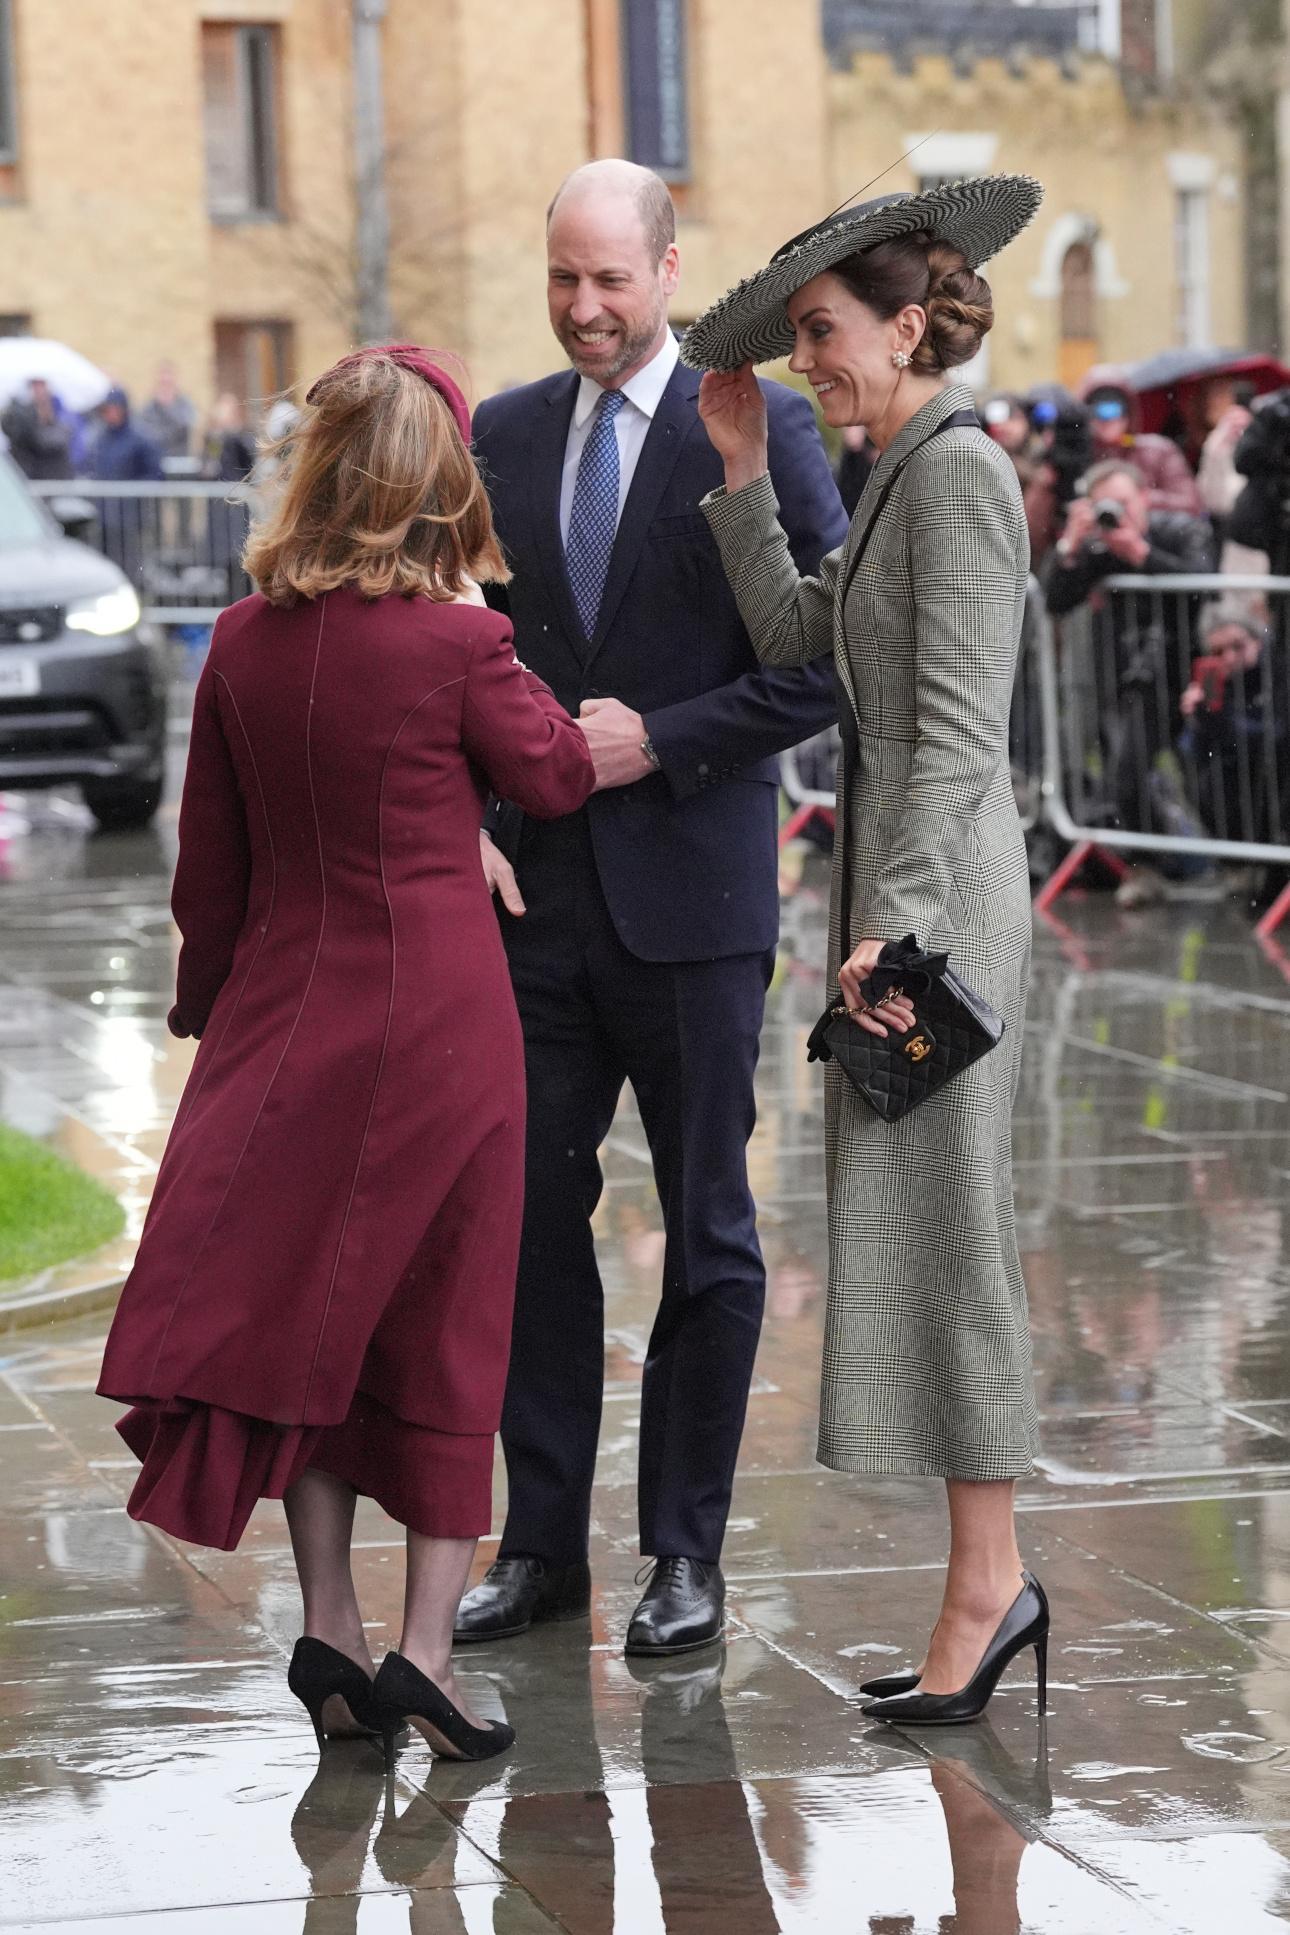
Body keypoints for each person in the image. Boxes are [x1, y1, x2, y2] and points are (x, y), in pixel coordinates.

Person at [96, 345, 595, 1764]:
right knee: (444, 1323)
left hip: (284, 1018)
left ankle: (331, 1629)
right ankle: (425, 1656)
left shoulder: (242, 644)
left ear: (313, 476)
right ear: (439, 483)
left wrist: (208, 1015)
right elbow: (552, 772)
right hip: (437, 1027)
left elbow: (213, 873)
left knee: (316, 1323)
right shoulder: (458, 643)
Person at [453, 159, 846, 1659]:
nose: (583, 309)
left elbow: (818, 662)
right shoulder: (500, 432)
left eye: (610, 280)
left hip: (691, 899)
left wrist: (658, 736)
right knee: (526, 1230)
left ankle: (684, 1550)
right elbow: (460, 657)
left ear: (671, 271)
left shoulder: (758, 426)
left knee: (708, 1229)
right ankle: (539, 1541)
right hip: (531, 906)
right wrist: (465, 824)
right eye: (562, 278)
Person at [687, 172, 1050, 1726]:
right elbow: (792, 638)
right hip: (901, 904)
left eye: (823, 335)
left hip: (936, 908)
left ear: (907, 326)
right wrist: (737, 467)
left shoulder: (955, 478)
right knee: (922, 1241)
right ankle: (984, 1579)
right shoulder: (897, 470)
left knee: (955, 1245)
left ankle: (988, 1590)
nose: (807, 361)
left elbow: (962, 733)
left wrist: (893, 918)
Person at [1044, 458, 1215, 904]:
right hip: (1130, 677)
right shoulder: (1101, 547)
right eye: (1106, 505)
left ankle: (1225, 866)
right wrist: (1071, 544)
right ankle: (1150, 867)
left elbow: (1205, 584)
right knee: (1126, 774)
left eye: (1123, 502)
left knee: (1213, 772)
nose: (1115, 514)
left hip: (1189, 672)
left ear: (1144, 497)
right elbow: (1055, 598)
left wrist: (1140, 553)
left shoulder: (1179, 530)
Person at [1082, 382, 1204, 517]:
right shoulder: (1080, 457)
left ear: (1127, 413)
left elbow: (1191, 503)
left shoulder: (1157, 450)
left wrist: (1140, 498)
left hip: (1156, 534)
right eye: (1095, 412)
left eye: (1112, 410)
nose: (1105, 420)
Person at [0, 376, 76, 479]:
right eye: (35, 386)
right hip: (28, 478)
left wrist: (38, 421)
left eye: (41, 386)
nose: (38, 391)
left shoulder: (63, 413)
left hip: (54, 480)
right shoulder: (23, 414)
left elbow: (49, 442)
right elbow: (12, 432)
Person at [87, 385, 164, 481]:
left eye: (115, 409)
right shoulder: (99, 438)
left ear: (124, 410)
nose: (111, 414)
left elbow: (154, 473)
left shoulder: (142, 439)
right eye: (107, 410)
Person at [138, 360, 197, 461]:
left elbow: (188, 425)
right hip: (156, 461)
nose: (165, 379)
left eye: (168, 374)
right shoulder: (149, 406)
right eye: (162, 375)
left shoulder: (185, 403)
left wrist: (168, 408)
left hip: (180, 462)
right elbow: (145, 432)